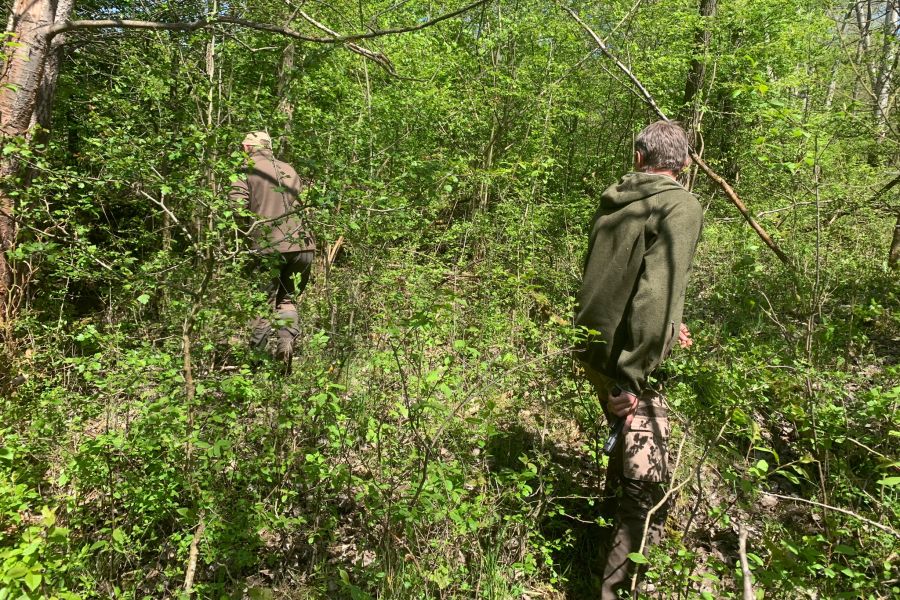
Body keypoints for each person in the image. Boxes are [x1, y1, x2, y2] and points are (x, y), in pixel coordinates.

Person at [574, 120, 703, 598]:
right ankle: (612, 590)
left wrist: (670, 325)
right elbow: (654, 293)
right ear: (685, 163)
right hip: (631, 358)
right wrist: (633, 374)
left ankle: (595, 532)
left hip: (595, 345)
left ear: (638, 158)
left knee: (625, 446)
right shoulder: (679, 204)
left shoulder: (616, 201)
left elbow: (615, 279)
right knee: (643, 487)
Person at [230, 131, 315, 369]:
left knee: (262, 303)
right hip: (304, 244)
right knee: (287, 300)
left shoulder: (246, 170)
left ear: (247, 147)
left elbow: (236, 207)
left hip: (270, 246)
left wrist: (238, 239)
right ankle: (285, 344)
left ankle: (256, 362)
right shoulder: (289, 168)